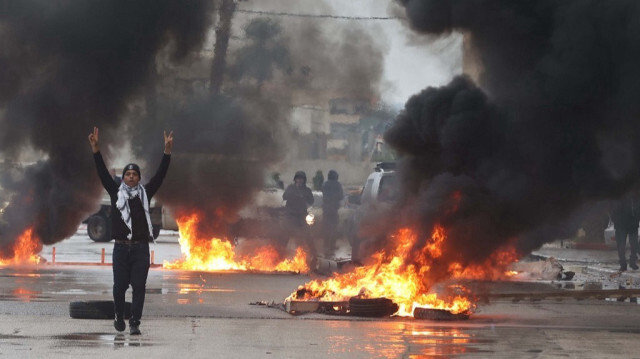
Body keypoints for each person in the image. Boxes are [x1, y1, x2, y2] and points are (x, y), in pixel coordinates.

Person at [88, 126, 173, 335]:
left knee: (139, 287)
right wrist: (96, 150)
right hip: (120, 249)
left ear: (139, 177)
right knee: (119, 287)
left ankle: (134, 322)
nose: (132, 177)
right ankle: (119, 315)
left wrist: (167, 153)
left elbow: (160, 176)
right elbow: (101, 173)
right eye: (128, 174)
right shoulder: (116, 193)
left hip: (140, 249)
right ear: (123, 178)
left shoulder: (146, 193)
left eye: (135, 174)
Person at [611, 192, 640, 272]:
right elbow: (613, 209)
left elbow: (638, 209)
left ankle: (632, 261)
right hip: (621, 226)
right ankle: (623, 264)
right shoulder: (618, 196)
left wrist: (636, 220)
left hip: (633, 225)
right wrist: (616, 220)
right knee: (621, 246)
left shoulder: (635, 197)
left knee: (634, 244)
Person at [321, 170, 343, 257]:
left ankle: (326, 246)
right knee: (333, 228)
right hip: (334, 210)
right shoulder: (338, 185)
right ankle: (332, 246)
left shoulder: (325, 184)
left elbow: (324, 195)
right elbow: (341, 196)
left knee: (326, 228)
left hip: (326, 210)